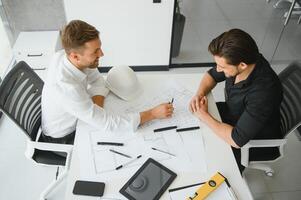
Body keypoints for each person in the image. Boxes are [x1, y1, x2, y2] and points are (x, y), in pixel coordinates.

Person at [41, 20, 173, 145]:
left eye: (100, 47)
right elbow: (108, 124)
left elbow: (97, 80)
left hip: (78, 115)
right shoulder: (66, 88)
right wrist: (153, 114)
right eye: (95, 52)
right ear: (75, 56)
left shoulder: (66, 56)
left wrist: (97, 108)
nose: (102, 54)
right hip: (64, 136)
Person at [189, 29, 283, 173]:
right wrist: (199, 94)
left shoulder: (264, 93)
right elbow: (211, 75)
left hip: (252, 139)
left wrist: (204, 116)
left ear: (242, 65)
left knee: (211, 168)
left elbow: (237, 140)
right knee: (191, 132)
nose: (218, 69)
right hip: (233, 115)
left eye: (223, 67)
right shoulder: (242, 60)